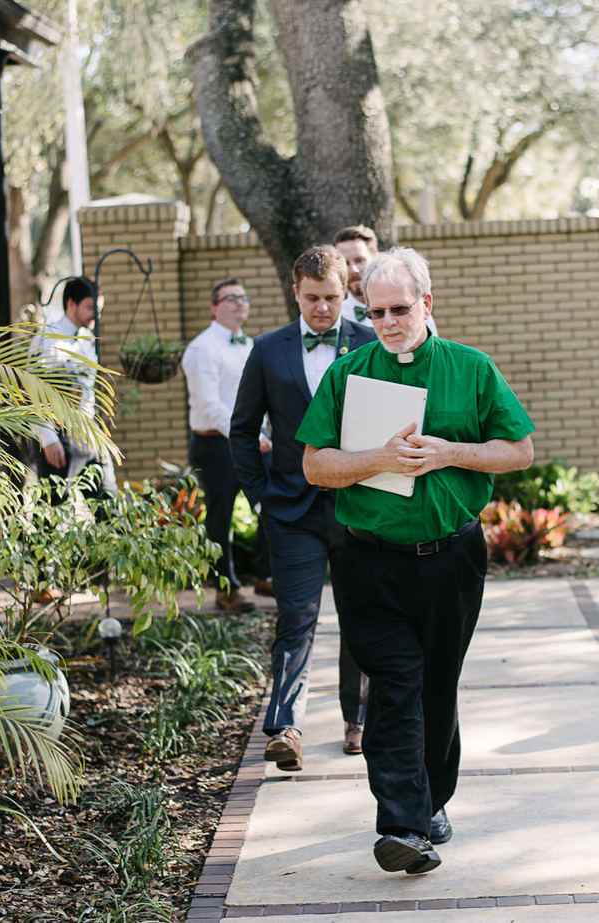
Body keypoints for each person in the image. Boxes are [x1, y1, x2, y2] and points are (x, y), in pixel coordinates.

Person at [297, 246, 534, 874]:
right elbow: (315, 464)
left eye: (399, 309)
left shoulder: (471, 368)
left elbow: (520, 450)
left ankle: (432, 800)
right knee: (396, 686)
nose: (388, 323)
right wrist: (378, 458)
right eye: (376, 312)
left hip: (449, 558)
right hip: (369, 563)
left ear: (427, 303)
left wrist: (450, 453)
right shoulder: (348, 374)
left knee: (436, 683)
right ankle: (402, 824)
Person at [232, 247, 380, 771]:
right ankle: (286, 726)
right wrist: (260, 497)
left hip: (358, 508)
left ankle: (357, 716)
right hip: (290, 512)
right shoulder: (267, 350)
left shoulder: (368, 342)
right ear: (295, 291)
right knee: (296, 617)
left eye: (333, 298)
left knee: (360, 616)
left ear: (348, 294)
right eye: (313, 298)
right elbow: (243, 430)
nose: (323, 308)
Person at [186, 278, 268, 614]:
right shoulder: (201, 348)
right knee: (220, 520)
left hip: (253, 442)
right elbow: (210, 405)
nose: (239, 304)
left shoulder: (248, 343)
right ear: (214, 306)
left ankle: (266, 575)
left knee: (272, 504)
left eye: (243, 298)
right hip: (215, 446)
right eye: (230, 299)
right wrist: (247, 436)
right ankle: (226, 589)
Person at [31, 276, 115, 497]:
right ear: (70, 304)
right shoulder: (48, 338)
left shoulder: (87, 338)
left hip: (87, 432)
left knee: (107, 501)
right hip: (59, 434)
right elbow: (34, 392)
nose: (95, 315)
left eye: (98, 309)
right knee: (54, 506)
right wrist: (48, 438)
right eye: (89, 308)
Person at [334, 226, 377, 324]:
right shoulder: (335, 317)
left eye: (359, 261)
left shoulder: (399, 307)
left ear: (375, 260)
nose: (353, 270)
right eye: (346, 263)